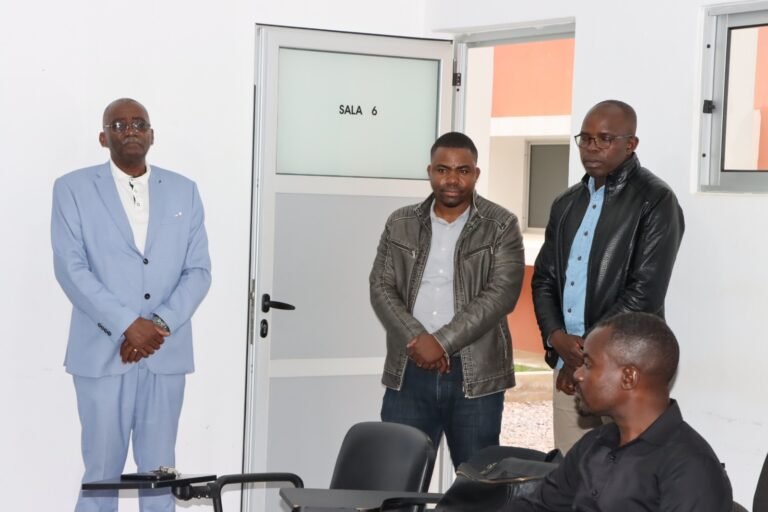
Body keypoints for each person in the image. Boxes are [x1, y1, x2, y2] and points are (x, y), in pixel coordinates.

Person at [51, 98, 211, 512]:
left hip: (164, 353)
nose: (130, 131)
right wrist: (127, 325)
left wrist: (156, 326)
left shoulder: (184, 190)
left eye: (139, 123)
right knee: (101, 476)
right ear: (103, 138)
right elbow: (71, 269)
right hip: (101, 354)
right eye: (118, 125)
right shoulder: (72, 189)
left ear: (152, 135)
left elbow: (198, 271)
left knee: (160, 475)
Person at [532, 100, 685, 452]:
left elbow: (644, 294)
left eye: (605, 139)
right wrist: (555, 337)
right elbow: (544, 279)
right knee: (571, 468)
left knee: (628, 471)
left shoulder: (655, 200)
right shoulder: (566, 203)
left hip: (626, 369)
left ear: (631, 144)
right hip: (567, 363)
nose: (592, 147)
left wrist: (584, 354)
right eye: (585, 139)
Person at [369, 131, 525, 468]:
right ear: (430, 171)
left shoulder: (501, 225)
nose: (452, 180)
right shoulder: (400, 223)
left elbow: (502, 294)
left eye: (462, 170)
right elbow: (381, 287)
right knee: (397, 477)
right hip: (409, 371)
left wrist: (440, 342)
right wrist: (418, 340)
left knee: (476, 482)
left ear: (476, 173)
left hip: (475, 376)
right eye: (443, 170)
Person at [512, 312, 733, 511]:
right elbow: (537, 506)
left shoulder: (691, 468)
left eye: (588, 364)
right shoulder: (594, 443)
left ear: (628, 377)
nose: (577, 374)